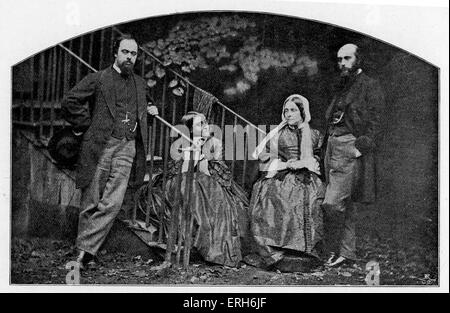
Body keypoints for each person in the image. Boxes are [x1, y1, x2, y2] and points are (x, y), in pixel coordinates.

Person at [61, 34, 159, 269]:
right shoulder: (99, 79)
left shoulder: (140, 84)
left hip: (128, 147)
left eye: (133, 54)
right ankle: (87, 254)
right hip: (102, 145)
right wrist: (85, 125)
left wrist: (151, 111)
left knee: (112, 204)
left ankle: (83, 252)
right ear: (116, 53)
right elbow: (70, 100)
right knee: (91, 199)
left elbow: (145, 110)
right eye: (125, 52)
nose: (129, 57)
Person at [138, 111, 249, 267]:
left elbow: (209, 170)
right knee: (188, 187)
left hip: (208, 179)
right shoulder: (181, 143)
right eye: (199, 124)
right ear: (190, 130)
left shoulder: (215, 142)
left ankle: (217, 245)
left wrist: (202, 153)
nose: (205, 126)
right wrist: (193, 150)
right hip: (187, 179)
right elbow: (183, 171)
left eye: (205, 122)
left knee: (215, 196)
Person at [322, 43, 385, 267]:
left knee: (332, 203)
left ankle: (331, 249)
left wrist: (361, 147)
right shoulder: (342, 84)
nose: (342, 63)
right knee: (344, 203)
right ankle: (346, 252)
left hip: (349, 145)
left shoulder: (370, 85)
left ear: (358, 59)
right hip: (332, 144)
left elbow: (378, 121)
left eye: (347, 59)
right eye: (339, 59)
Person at [246, 94, 325, 270]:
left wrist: (309, 163)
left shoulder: (314, 134)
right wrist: (287, 164)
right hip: (281, 175)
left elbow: (318, 156)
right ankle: (276, 254)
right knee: (273, 199)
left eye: (293, 110)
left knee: (311, 200)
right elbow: (265, 157)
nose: (289, 114)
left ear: (302, 112)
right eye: (286, 110)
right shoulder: (277, 134)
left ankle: (304, 254)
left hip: (307, 177)